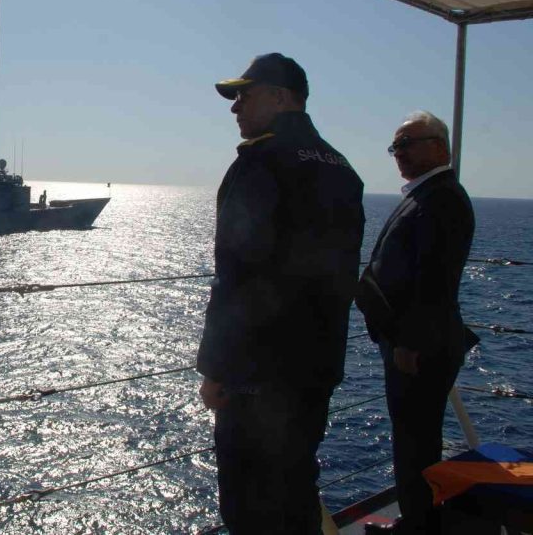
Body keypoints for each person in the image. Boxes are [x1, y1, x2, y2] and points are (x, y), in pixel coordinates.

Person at [196, 52, 365, 534]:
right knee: (295, 490)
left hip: (258, 374)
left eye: (243, 95)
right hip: (315, 368)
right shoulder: (342, 168)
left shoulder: (262, 162)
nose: (235, 107)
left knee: (249, 506)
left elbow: (237, 273)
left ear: (279, 96)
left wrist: (216, 368)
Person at [356, 111, 475, 534]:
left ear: (439, 147)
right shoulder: (429, 194)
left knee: (415, 443)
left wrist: (409, 342)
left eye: (407, 143)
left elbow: (434, 278)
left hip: (419, 347)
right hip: (416, 342)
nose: (398, 153)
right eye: (395, 146)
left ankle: (418, 526)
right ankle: (417, 520)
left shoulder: (442, 199)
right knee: (414, 440)